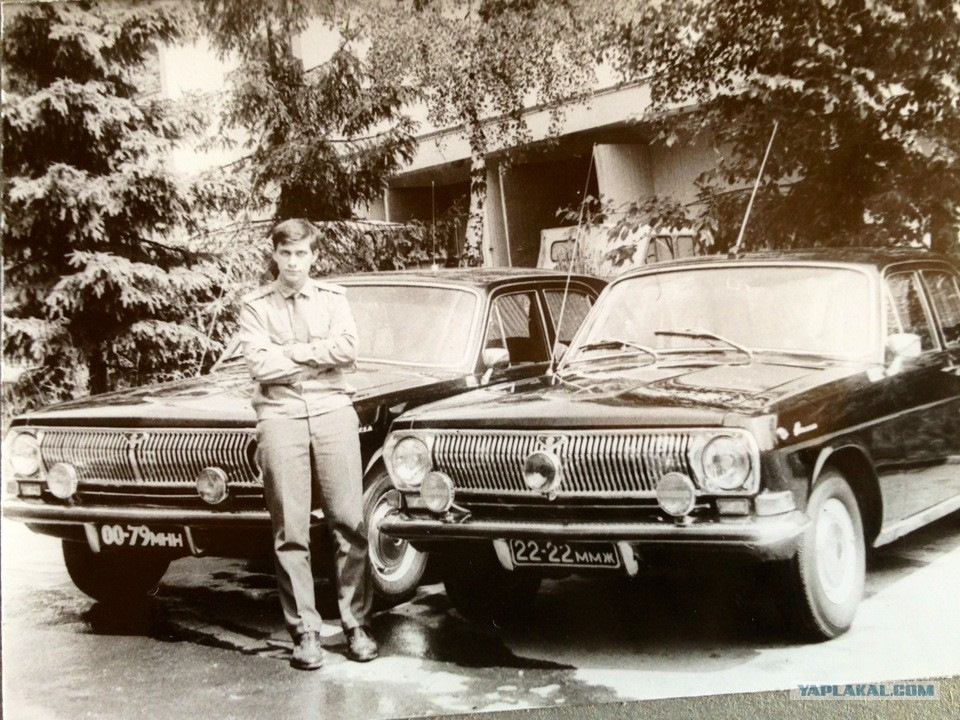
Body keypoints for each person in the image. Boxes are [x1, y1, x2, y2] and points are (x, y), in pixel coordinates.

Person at [238, 218, 378, 670]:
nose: (294, 262)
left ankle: (356, 623)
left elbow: (347, 350)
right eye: (286, 253)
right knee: (290, 528)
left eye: (301, 253)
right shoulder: (255, 306)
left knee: (348, 521)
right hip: (280, 416)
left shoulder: (334, 299)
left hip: (332, 411)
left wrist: (292, 356)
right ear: (274, 255)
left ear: (313, 256)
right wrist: (318, 356)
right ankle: (305, 632)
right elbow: (259, 365)